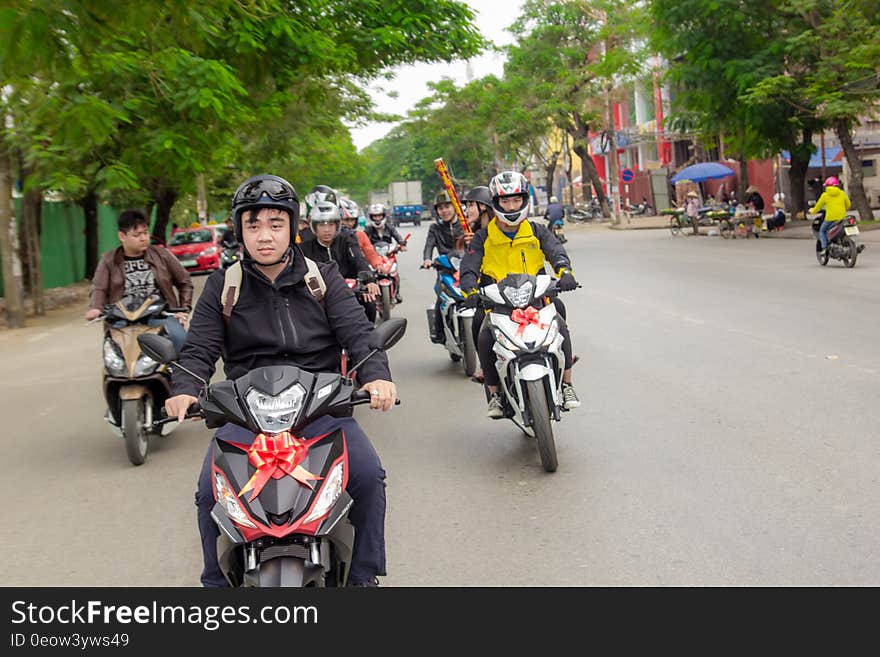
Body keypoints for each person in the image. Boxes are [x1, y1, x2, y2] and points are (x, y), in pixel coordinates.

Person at [164, 174, 395, 588]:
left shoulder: (320, 278)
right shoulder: (223, 285)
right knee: (208, 493)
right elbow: (199, 348)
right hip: (245, 413)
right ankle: (215, 581)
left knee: (367, 475)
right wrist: (183, 389)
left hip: (321, 407)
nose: (264, 236)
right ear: (240, 231)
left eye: (275, 224)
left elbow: (359, 336)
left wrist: (376, 377)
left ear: (292, 227)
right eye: (253, 225)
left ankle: (363, 576)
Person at [459, 171, 580, 418]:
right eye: (505, 201)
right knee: (482, 334)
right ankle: (495, 394)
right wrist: (470, 291)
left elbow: (556, 252)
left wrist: (565, 273)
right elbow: (468, 267)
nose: (511, 206)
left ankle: (567, 385)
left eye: (516, 200)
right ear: (495, 203)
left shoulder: (537, 231)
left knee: (561, 322)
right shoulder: (483, 238)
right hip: (498, 303)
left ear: (525, 201)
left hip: (537, 298)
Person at [85, 209, 192, 353]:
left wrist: (183, 310)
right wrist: (95, 308)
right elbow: (99, 287)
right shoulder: (109, 260)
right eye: (137, 235)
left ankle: (183, 375)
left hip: (160, 317)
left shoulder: (162, 255)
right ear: (122, 236)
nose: (143, 238)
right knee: (113, 353)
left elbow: (184, 282)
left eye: (145, 233)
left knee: (182, 342)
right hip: (122, 321)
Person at [300, 199, 381, 323]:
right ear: (314, 226)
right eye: (322, 225)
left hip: (349, 289)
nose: (327, 230)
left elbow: (359, 259)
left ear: (337, 225)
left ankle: (368, 340)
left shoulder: (348, 238)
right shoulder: (304, 244)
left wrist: (368, 281)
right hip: (319, 292)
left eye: (331, 224)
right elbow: (299, 269)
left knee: (369, 303)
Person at [422, 190, 465, 344]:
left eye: (447, 206)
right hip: (446, 270)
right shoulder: (435, 228)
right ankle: (438, 332)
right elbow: (429, 245)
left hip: (466, 269)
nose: (444, 211)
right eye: (441, 208)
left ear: (455, 206)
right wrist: (427, 259)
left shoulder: (465, 224)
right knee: (441, 297)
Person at [364, 203, 408, 303]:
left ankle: (397, 293)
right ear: (371, 217)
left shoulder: (389, 227)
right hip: (373, 255)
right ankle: (371, 292)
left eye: (379, 215)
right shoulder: (368, 229)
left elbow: (397, 236)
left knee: (394, 272)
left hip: (389, 254)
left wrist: (402, 244)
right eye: (374, 216)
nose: (377, 218)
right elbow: (363, 241)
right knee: (370, 274)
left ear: (383, 215)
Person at [809, 176, 851, 255]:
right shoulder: (842, 193)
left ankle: (824, 248)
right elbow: (848, 204)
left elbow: (818, 206)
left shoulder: (825, 195)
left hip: (830, 218)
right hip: (842, 217)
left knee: (822, 231)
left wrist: (812, 211)